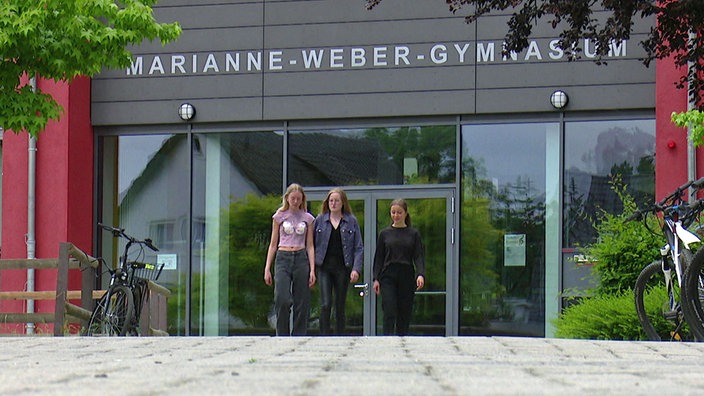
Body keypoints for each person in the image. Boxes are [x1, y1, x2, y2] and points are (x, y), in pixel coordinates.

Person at [264, 183, 316, 336]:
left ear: (302, 200)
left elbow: (310, 245)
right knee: (282, 298)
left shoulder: (308, 218)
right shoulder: (279, 217)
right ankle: (282, 334)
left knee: (302, 299)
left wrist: (312, 269)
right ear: (287, 198)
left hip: (300, 257)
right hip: (283, 256)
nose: (295, 201)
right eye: (293, 198)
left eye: (298, 199)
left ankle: (299, 334)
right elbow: (273, 244)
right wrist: (267, 267)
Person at [313, 188, 364, 335]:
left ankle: (340, 336)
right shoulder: (320, 220)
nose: (333, 203)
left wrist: (356, 269)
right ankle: (324, 336)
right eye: (331, 201)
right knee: (325, 304)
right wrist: (312, 268)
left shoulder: (351, 221)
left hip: (343, 268)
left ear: (343, 203)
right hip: (324, 267)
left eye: (337, 201)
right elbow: (312, 245)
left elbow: (358, 247)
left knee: (340, 305)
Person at [372, 198, 425, 336]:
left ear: (406, 213)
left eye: (399, 212)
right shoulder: (384, 234)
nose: (396, 215)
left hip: (406, 274)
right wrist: (375, 278)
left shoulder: (413, 234)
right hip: (388, 274)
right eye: (393, 212)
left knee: (404, 311)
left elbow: (418, 256)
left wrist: (420, 274)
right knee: (389, 308)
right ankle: (387, 339)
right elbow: (379, 257)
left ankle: (403, 339)